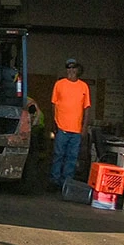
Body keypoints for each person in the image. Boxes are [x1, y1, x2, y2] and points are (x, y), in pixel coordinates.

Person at [49, 58, 91, 190]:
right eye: (69, 68)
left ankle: (66, 183)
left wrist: (84, 128)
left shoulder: (84, 86)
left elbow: (87, 108)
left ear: (78, 70)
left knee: (72, 158)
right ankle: (54, 181)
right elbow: (53, 105)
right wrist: (54, 124)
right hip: (61, 128)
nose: (71, 71)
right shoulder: (59, 84)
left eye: (74, 68)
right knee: (58, 155)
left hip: (76, 131)